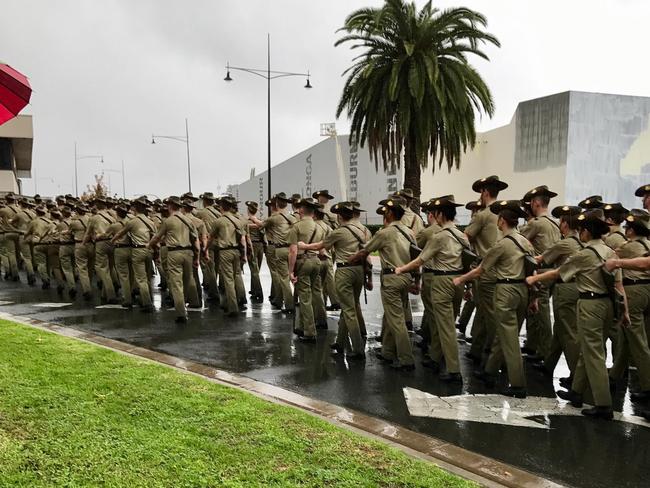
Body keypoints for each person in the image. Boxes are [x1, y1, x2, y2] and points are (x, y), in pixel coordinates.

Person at [527, 209, 628, 420]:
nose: (580, 233)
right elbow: (619, 286)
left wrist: (534, 280)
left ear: (587, 233)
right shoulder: (610, 252)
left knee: (594, 354)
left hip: (590, 305)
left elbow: (558, 273)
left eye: (582, 230)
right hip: (608, 305)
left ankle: (603, 404)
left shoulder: (584, 255)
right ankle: (577, 391)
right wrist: (624, 310)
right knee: (590, 348)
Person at [454, 200, 534, 398]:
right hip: (523, 290)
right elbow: (533, 269)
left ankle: (518, 385)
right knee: (503, 333)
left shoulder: (502, 244)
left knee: (509, 338)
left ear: (502, 221)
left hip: (506, 290)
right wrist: (534, 298)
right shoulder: (525, 242)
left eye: (499, 219)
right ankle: (489, 371)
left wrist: (461, 279)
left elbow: (481, 270)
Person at [397, 195, 467, 383]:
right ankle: (436, 358)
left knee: (445, 327)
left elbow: (421, 259)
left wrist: (401, 269)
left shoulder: (439, 236)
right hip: (458, 281)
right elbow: (469, 260)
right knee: (447, 322)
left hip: (442, 281)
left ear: (440, 215)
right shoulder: (461, 235)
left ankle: (454, 371)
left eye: (435, 213)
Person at [349, 197, 415, 371]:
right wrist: (416, 280)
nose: (384, 216)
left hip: (392, 278)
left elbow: (366, 250)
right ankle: (387, 351)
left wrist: (353, 258)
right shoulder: (409, 232)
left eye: (386, 213)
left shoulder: (385, 233)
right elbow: (416, 256)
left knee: (397, 320)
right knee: (391, 315)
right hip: (406, 277)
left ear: (391, 214)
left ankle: (406, 359)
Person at [299, 201, 372, 357]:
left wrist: (304, 246)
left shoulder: (340, 231)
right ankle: (340, 341)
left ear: (339, 216)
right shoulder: (363, 230)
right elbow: (367, 253)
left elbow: (320, 246)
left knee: (349, 310)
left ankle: (358, 349)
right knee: (349, 306)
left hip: (345, 271)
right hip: (359, 270)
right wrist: (369, 275)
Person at [532, 205, 584, 382]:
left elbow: (540, 259)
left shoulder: (565, 243)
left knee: (569, 333)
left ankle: (577, 377)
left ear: (564, 224)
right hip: (576, 288)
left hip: (565, 289)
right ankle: (549, 364)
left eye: (560, 221)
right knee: (561, 329)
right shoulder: (579, 243)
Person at [607, 209, 650, 401]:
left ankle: (648, 387)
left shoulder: (628, 247)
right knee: (626, 338)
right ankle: (613, 377)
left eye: (627, 227)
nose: (625, 230)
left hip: (634, 292)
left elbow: (608, 258)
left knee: (638, 341)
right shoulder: (647, 244)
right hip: (645, 291)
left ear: (632, 231)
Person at [464, 175, 508, 363]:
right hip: (502, 267)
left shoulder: (483, 215)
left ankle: (499, 355)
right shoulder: (506, 213)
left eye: (481, 192)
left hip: (486, 268)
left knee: (489, 314)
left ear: (485, 192)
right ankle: (477, 349)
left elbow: (465, 237)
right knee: (483, 310)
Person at [519, 186, 561, 362]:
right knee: (536, 311)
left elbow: (519, 239)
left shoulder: (536, 223)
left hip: (541, 271)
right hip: (553, 271)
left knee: (542, 313)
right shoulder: (555, 224)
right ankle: (533, 345)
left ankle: (544, 351)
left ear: (536, 203)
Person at [148, 196, 201, 323]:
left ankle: (181, 313)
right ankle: (192, 301)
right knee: (188, 280)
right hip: (188, 252)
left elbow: (157, 237)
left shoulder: (168, 221)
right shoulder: (189, 221)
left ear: (170, 206)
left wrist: (149, 245)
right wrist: (197, 257)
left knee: (177, 284)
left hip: (174, 253)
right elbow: (196, 240)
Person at [287, 198, 327, 342]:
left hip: (302, 262)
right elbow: (322, 250)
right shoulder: (320, 227)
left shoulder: (296, 226)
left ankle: (309, 332)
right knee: (315, 292)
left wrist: (290, 271)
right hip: (316, 261)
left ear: (302, 210)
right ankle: (307, 324)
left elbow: (292, 251)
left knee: (304, 298)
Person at [249, 193, 296, 312]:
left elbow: (260, 225)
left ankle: (289, 305)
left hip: (279, 249)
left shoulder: (274, 218)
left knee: (282, 278)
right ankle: (280, 299)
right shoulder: (291, 217)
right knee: (289, 275)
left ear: (275, 204)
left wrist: (253, 218)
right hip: (291, 248)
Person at [112, 197, 157, 312]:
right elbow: (155, 237)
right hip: (149, 250)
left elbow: (121, 233)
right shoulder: (151, 222)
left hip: (137, 250)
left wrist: (113, 240)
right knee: (147, 277)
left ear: (135, 208)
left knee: (140, 279)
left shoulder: (132, 222)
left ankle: (146, 303)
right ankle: (148, 298)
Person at [411, 198, 441, 362]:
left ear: (431, 215)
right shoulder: (454, 231)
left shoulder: (428, 232)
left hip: (431, 274)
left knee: (432, 311)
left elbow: (414, 248)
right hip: (450, 275)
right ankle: (426, 336)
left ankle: (434, 347)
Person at [209, 195, 247, 317]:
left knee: (228, 280)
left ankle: (232, 307)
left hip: (224, 251)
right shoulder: (239, 221)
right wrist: (244, 254)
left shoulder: (218, 221)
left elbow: (211, 238)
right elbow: (242, 240)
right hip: (236, 251)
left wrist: (205, 249)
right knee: (237, 275)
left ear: (221, 207)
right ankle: (241, 298)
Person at [83, 197, 118, 304]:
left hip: (100, 243)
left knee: (101, 268)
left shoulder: (94, 218)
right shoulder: (112, 218)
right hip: (112, 243)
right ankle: (104, 294)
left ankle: (111, 294)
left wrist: (83, 242)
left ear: (97, 205)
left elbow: (88, 233)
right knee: (110, 267)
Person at [196, 192, 222, 303]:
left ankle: (214, 293)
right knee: (216, 268)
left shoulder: (201, 213)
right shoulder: (219, 213)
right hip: (220, 242)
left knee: (210, 268)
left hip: (209, 242)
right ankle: (214, 289)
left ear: (205, 201)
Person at [11, 198, 37, 285]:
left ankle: (31, 275)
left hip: (23, 235)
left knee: (27, 257)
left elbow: (10, 222)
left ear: (21, 204)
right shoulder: (33, 214)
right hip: (32, 236)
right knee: (33, 255)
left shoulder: (19, 214)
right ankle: (35, 270)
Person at [71, 204, 94, 300]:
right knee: (90, 267)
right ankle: (89, 284)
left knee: (82, 268)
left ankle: (87, 289)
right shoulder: (90, 219)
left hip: (80, 244)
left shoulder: (74, 222)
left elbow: (70, 232)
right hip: (91, 244)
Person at [56, 205, 77, 298]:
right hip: (74, 245)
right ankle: (75, 278)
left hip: (64, 246)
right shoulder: (75, 222)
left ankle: (72, 286)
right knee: (73, 265)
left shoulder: (60, 224)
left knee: (67, 269)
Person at [245, 201, 264, 303]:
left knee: (254, 269)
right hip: (260, 245)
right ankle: (253, 290)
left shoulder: (246, 221)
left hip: (251, 245)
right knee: (257, 270)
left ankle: (258, 292)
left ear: (248, 210)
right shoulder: (260, 221)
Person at [0, 193, 21, 281]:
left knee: (10, 254)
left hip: (8, 233)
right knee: (17, 254)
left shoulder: (3, 210)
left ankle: (14, 273)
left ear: (6, 200)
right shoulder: (19, 210)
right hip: (18, 233)